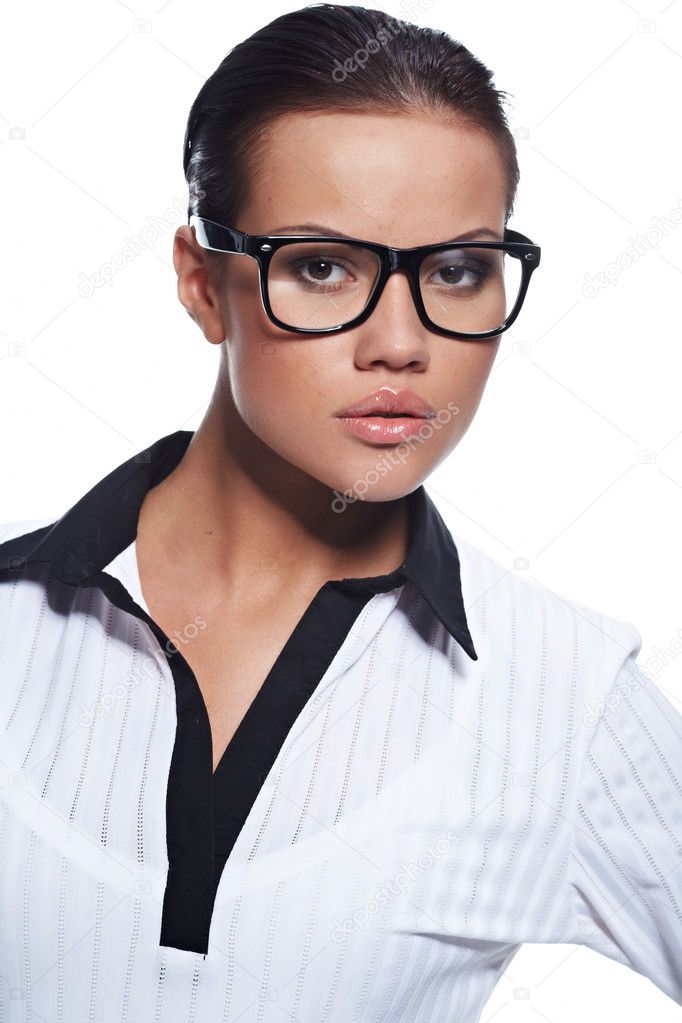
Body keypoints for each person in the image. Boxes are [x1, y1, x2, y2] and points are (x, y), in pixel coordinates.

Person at [0, 4, 680, 1020]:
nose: (399, 344)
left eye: (456, 271)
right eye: (323, 266)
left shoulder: (563, 699)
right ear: (201, 283)